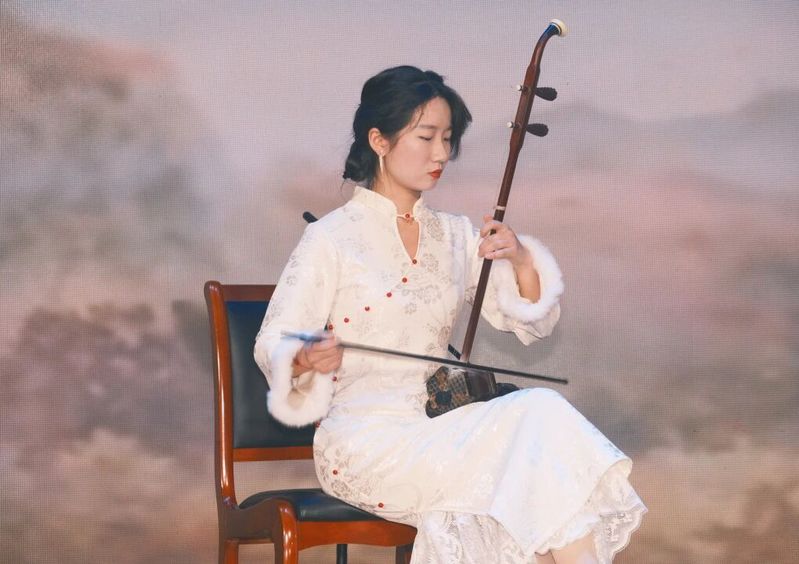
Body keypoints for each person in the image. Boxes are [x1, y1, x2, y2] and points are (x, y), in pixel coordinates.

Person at [254, 65, 645, 564]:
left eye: (448, 138)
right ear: (379, 140)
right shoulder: (330, 238)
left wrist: (521, 260)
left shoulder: (455, 235)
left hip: (442, 426)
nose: (441, 154)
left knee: (539, 421)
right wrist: (307, 357)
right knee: (535, 449)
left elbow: (529, 321)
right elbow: (272, 342)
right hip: (365, 443)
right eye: (426, 137)